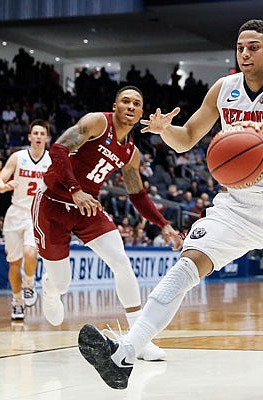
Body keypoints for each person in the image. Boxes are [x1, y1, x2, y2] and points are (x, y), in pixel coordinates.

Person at [77, 19, 263, 390]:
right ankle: (124, 355)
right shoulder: (224, 89)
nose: (244, 53)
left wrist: (257, 130)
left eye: (253, 47)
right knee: (185, 267)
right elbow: (187, 138)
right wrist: (164, 131)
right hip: (236, 207)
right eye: (240, 47)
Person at [32, 86, 182, 361]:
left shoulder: (131, 153)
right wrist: (75, 189)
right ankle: (51, 287)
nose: (131, 106)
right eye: (125, 101)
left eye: (137, 103)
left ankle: (138, 338)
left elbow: (137, 193)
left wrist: (163, 224)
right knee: (62, 283)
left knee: (120, 260)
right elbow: (58, 149)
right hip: (53, 203)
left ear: (141, 113)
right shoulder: (96, 122)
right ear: (115, 106)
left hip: (87, 207)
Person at [0, 120, 52, 320]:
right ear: (29, 137)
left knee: (30, 252)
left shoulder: (51, 160)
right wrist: (5, 186)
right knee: (13, 264)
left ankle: (29, 282)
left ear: (46, 138)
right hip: (15, 213)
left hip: (36, 214)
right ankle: (17, 301)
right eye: (34, 133)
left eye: (41, 133)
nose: (37, 136)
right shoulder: (17, 157)